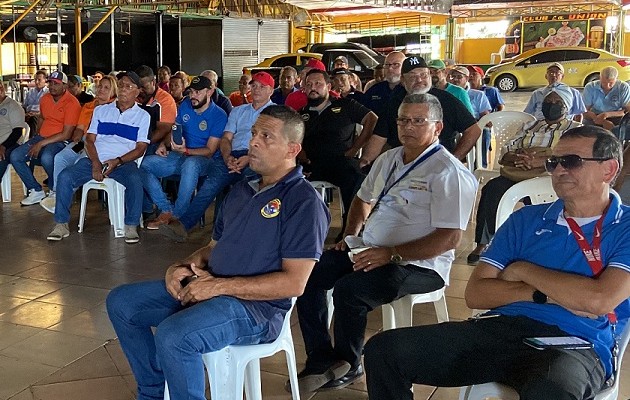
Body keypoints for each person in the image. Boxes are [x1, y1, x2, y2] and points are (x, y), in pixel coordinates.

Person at [365, 125, 630, 400]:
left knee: (549, 391)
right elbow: (476, 294)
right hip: (502, 328)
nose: (559, 170)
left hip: (577, 344)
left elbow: (599, 301)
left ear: (608, 170)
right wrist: (545, 295)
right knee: (385, 350)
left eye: (571, 161)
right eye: (553, 162)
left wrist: (522, 270)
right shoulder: (526, 219)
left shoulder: (626, 227)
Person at [106, 105, 330, 400]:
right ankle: (152, 393)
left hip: (256, 311)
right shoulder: (242, 190)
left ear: (292, 149)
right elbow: (213, 248)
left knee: (176, 335)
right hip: (211, 286)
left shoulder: (303, 202)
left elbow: (294, 283)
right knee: (122, 302)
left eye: (266, 136)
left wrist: (217, 287)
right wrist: (181, 266)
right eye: (253, 134)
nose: (253, 142)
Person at [293, 93, 477, 393]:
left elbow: (450, 238)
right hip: (371, 250)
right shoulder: (390, 158)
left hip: (418, 265)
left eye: (419, 121)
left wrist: (391, 254)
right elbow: (362, 200)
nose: (409, 127)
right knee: (310, 272)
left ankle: (349, 363)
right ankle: (321, 357)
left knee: (350, 289)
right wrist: (351, 237)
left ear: (438, 128)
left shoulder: (448, 172)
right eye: (403, 120)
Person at [467, 89, 581, 264]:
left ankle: (540, 246)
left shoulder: (574, 129)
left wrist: (541, 162)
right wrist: (518, 158)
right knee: (493, 189)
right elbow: (507, 147)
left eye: (557, 103)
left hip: (549, 175)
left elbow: (573, 156)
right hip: (519, 170)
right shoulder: (530, 125)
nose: (551, 106)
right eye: (548, 102)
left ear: (566, 107)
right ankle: (484, 244)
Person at [158, 72, 275, 242]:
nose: (256, 89)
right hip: (231, 155)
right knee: (210, 185)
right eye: (254, 85)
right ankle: (183, 225)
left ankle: (244, 231)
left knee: (251, 181)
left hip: (259, 157)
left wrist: (249, 158)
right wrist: (228, 157)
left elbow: (269, 143)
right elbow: (226, 138)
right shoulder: (239, 111)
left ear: (271, 90)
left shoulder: (275, 113)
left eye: (262, 86)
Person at [46, 71, 150, 244]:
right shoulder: (101, 111)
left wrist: (118, 161)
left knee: (135, 180)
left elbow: (140, 148)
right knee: (65, 177)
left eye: (128, 86)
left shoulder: (142, 116)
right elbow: (90, 141)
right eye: (121, 85)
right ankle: (61, 224)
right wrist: (95, 163)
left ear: (137, 92)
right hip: (95, 159)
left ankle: (130, 225)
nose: (123, 89)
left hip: (123, 161)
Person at [141, 75, 228, 229]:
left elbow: (209, 151)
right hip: (180, 154)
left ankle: (178, 217)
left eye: (198, 92)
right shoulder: (186, 105)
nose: (193, 96)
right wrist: (163, 144)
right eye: (191, 92)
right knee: (144, 164)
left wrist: (186, 150)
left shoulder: (219, 115)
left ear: (210, 92)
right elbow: (175, 129)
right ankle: (166, 209)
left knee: (191, 164)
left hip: (205, 161)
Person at [361, 55, 480, 165]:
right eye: (413, 76)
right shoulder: (394, 102)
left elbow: (473, 130)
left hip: (438, 165)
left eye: (423, 75)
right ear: (402, 80)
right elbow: (379, 137)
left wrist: (454, 160)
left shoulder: (446, 100)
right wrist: (365, 161)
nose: (419, 80)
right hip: (402, 164)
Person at [298, 68, 377, 236]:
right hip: (311, 164)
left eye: (318, 84)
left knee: (357, 180)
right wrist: (302, 155)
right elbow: (293, 138)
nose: (313, 88)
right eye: (309, 84)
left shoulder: (345, 105)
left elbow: (372, 119)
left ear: (328, 86)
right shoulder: (301, 114)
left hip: (341, 161)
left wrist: (355, 149)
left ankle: (350, 234)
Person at [40, 75, 118, 214]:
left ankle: (63, 199)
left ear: (113, 91)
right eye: (100, 86)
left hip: (100, 145)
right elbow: (80, 128)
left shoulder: (115, 108)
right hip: (82, 142)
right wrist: (77, 136)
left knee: (78, 161)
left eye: (106, 88)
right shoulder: (88, 106)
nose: (101, 90)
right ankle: (57, 193)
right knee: (61, 157)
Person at [10, 71, 81, 206]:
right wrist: (37, 137)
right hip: (42, 137)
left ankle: (55, 190)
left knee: (47, 157)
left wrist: (41, 143)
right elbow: (42, 117)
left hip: (61, 141)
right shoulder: (45, 98)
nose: (52, 86)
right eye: (50, 83)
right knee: (15, 156)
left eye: (56, 84)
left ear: (64, 86)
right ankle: (35, 190)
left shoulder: (72, 103)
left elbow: (66, 134)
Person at [467, 65, 505, 168]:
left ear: (481, 76)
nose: (471, 76)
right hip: (471, 121)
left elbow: (500, 106)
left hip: (486, 120)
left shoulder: (491, 90)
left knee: (485, 131)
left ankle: (480, 165)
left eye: (474, 74)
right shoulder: (465, 91)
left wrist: (493, 119)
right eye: (469, 74)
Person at [136, 65, 177, 154]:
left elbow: (163, 130)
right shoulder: (133, 96)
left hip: (153, 143)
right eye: (138, 87)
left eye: (144, 87)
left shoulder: (166, 100)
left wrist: (139, 145)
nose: (140, 90)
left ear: (153, 82)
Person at [583, 66, 630, 131]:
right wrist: (601, 120)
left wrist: (607, 114)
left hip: (616, 115)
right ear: (600, 78)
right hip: (594, 116)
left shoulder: (624, 87)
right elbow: (584, 110)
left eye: (611, 83)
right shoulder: (590, 87)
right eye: (604, 82)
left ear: (616, 79)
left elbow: (626, 111)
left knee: (621, 130)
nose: (607, 86)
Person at [0, 82, 26, 181]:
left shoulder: (13, 106)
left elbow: (18, 131)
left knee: (1, 156)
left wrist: (3, 146)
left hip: (9, 143)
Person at [22, 70, 48, 136]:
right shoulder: (30, 92)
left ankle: (33, 138)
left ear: (45, 80)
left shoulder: (48, 93)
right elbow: (25, 105)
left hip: (40, 115)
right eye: (35, 80)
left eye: (39, 80)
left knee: (34, 118)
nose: (36, 82)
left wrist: (34, 112)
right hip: (28, 114)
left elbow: (46, 108)